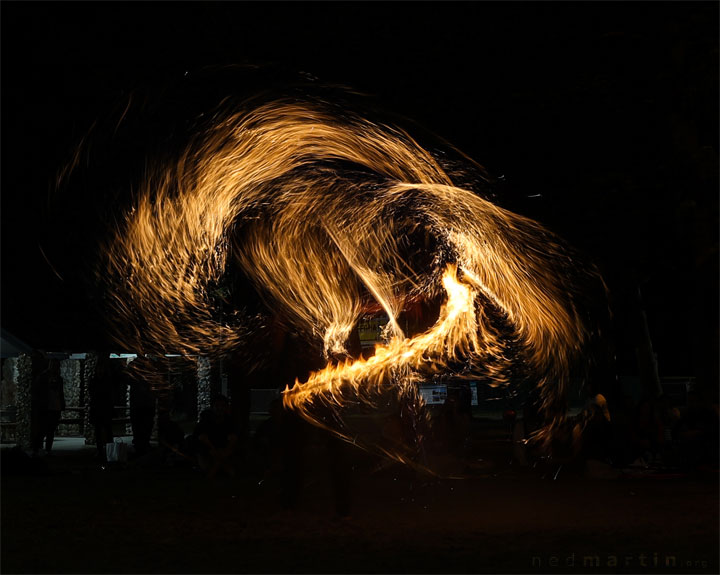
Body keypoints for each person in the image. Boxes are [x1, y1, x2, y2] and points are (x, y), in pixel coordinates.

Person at [191, 395, 240, 479]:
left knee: (222, 456)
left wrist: (225, 450)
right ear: (213, 407)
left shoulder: (230, 421)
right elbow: (200, 437)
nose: (220, 408)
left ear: (226, 408)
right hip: (208, 450)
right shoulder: (205, 421)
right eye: (217, 406)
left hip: (223, 450)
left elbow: (233, 438)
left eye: (222, 406)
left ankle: (213, 471)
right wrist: (211, 449)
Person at [31, 359, 65, 456]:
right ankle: (37, 448)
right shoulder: (43, 377)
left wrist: (61, 405)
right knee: (42, 429)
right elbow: (37, 391)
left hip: (55, 407)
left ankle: (47, 449)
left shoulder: (58, 378)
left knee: (50, 430)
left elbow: (60, 393)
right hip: (46, 407)